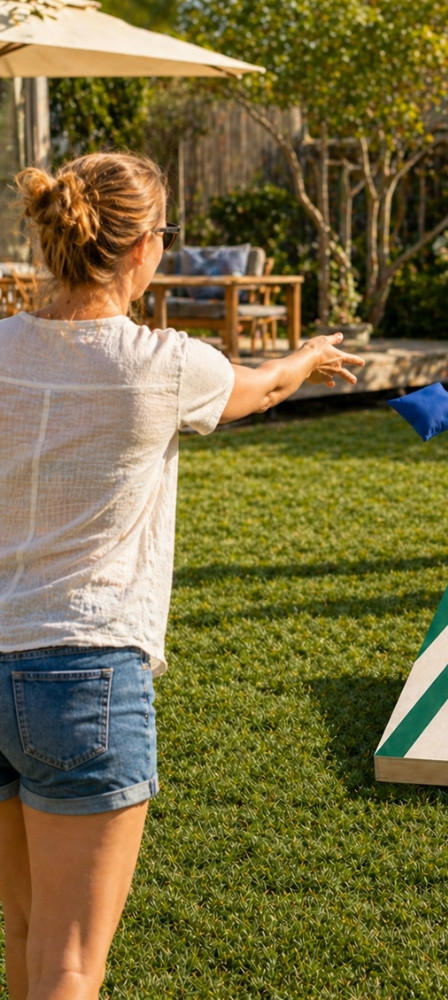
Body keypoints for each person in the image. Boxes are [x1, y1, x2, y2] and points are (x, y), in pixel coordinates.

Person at [0, 152, 364, 1000]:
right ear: (138, 250)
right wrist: (307, 356)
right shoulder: (164, 364)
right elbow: (262, 387)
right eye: (164, 233)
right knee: (70, 964)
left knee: (24, 935)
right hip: (83, 674)